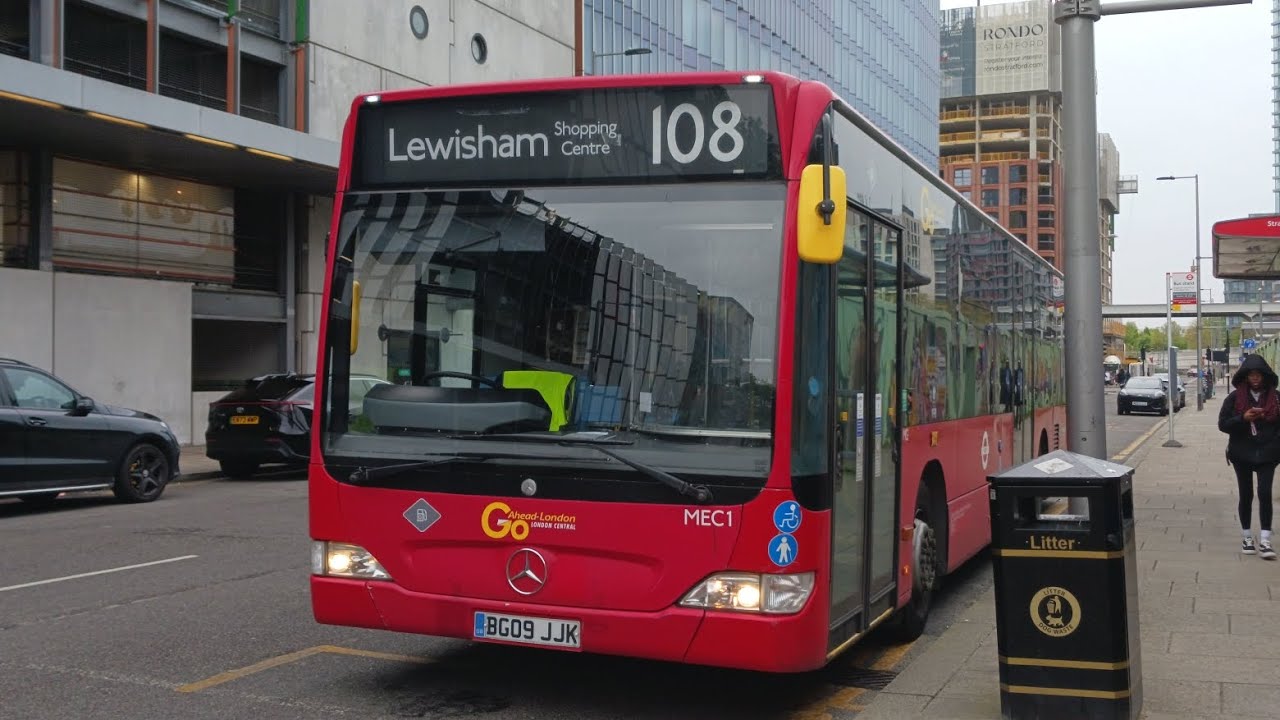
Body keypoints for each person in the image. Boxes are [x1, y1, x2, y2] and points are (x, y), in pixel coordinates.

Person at [1218, 354, 1280, 559]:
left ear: (1265, 376)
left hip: (1268, 454)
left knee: (1264, 493)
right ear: (1245, 376)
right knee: (1246, 494)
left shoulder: (1276, 398)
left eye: (1258, 374)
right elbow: (1223, 424)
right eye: (1251, 374)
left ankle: (1265, 540)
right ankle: (1246, 537)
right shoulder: (1234, 398)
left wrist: (1274, 444)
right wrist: (1243, 418)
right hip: (1241, 453)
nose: (1255, 378)